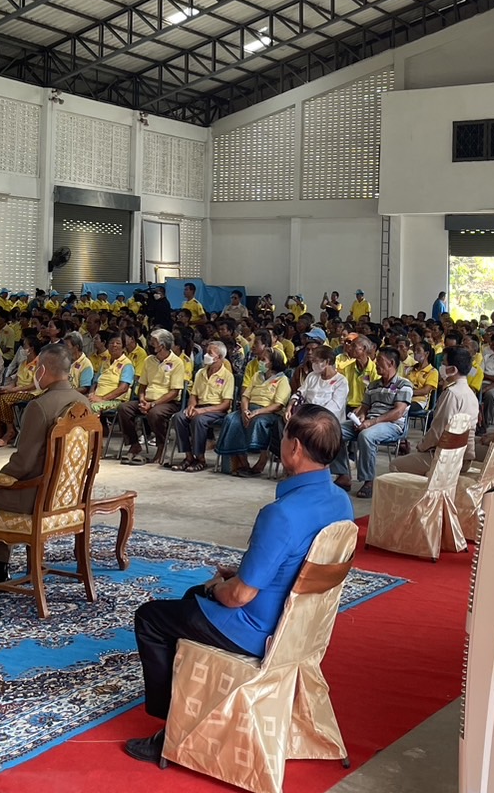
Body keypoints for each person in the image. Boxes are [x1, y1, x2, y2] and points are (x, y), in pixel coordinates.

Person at [124, 404, 352, 767]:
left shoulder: (282, 514)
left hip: (256, 629)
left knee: (152, 617)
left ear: (294, 448)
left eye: (284, 436)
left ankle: (174, 727)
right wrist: (242, 574)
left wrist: (215, 587)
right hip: (301, 631)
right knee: (190, 603)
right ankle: (188, 706)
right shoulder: (341, 501)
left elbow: (239, 596)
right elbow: (299, 567)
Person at [0, 343, 90, 587]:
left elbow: (23, 462)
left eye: (37, 367)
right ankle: (1, 567)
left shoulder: (40, 406)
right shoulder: (83, 403)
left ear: (43, 370)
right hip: (68, 496)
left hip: (35, 495)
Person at [330, 346, 413, 499]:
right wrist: (361, 417)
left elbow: (398, 412)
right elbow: (364, 407)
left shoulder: (403, 384)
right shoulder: (373, 384)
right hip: (370, 421)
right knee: (334, 430)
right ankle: (343, 474)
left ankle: (368, 481)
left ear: (391, 363)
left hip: (392, 424)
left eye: (379, 360)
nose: (376, 363)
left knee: (366, 435)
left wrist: (371, 422)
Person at [393, 347, 479, 475]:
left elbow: (438, 431)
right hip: (464, 456)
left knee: (395, 464)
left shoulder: (452, 393)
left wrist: (422, 446)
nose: (441, 367)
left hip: (446, 458)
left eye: (444, 363)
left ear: (453, 370)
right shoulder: (470, 394)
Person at [217, 346, 290, 476]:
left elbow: (278, 405)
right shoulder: (257, 375)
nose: (260, 362)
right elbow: (246, 396)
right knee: (231, 419)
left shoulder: (282, 380)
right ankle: (242, 462)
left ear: (273, 363)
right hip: (249, 408)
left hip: (268, 412)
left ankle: (262, 460)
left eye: (264, 359)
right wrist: (245, 410)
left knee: (257, 422)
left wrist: (257, 412)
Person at [117, 328, 186, 466]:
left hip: (168, 402)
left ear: (162, 345)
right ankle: (134, 444)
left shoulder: (177, 362)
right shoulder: (149, 360)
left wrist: (153, 404)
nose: (150, 343)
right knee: (123, 408)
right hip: (147, 399)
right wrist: (142, 399)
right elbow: (142, 385)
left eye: (154, 341)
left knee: (154, 413)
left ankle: (161, 446)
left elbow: (174, 392)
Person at [171, 340, 234, 470]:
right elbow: (194, 395)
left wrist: (203, 411)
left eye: (210, 353)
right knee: (179, 417)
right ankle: (188, 456)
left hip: (216, 410)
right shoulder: (200, 372)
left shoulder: (227, 376)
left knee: (198, 420)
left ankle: (200, 459)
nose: (206, 355)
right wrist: (191, 406)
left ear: (219, 357)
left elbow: (226, 404)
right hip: (199, 406)